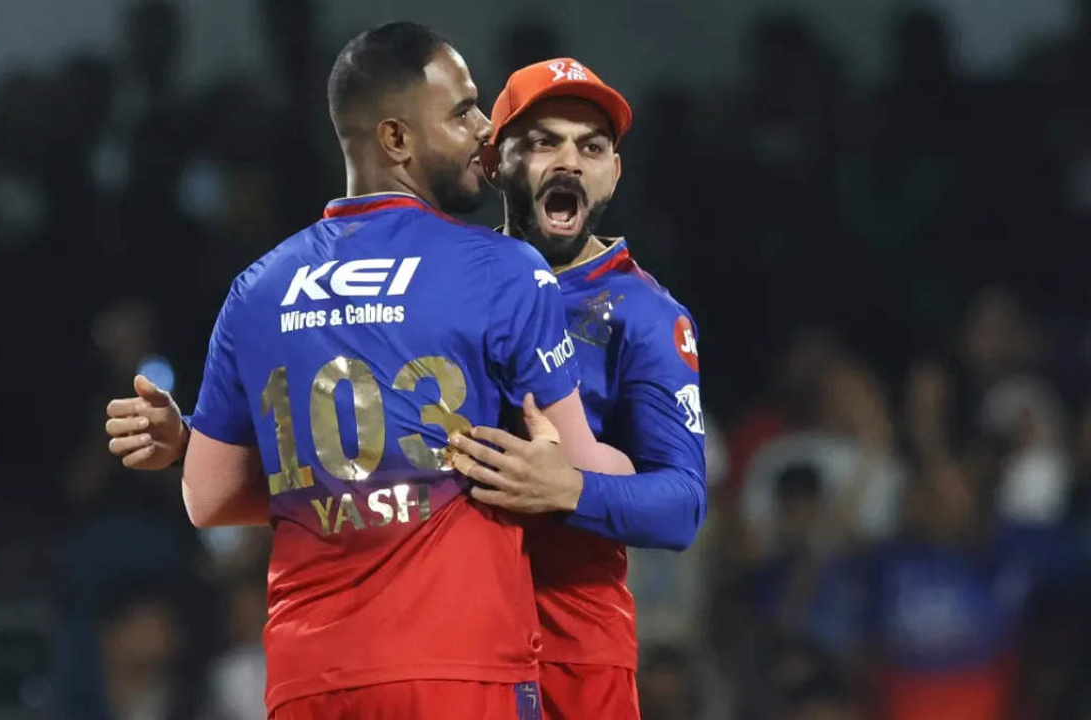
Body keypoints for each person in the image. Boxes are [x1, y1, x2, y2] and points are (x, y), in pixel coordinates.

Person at [104, 22, 632, 720]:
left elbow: (208, 499)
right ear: (396, 139)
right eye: (462, 112)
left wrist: (191, 444)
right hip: (457, 673)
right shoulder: (502, 268)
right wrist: (653, 471)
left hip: (310, 680)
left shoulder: (258, 288)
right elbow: (579, 472)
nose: (485, 128)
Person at [448, 58, 708, 720]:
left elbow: (683, 504)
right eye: (544, 141)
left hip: (572, 659)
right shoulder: (444, 283)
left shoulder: (647, 314)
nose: (569, 161)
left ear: (613, 174)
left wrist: (568, 489)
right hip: (446, 643)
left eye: (591, 148)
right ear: (494, 161)